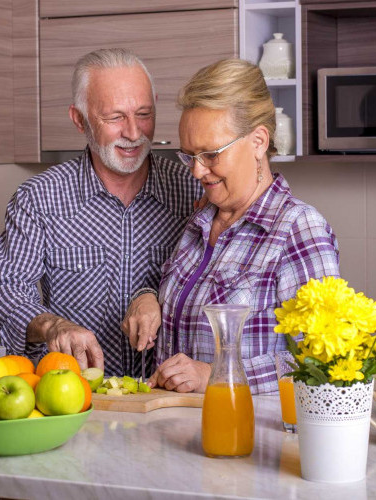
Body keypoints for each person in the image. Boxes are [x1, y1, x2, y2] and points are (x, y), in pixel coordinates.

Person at [122, 59, 340, 394]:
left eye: (210, 155)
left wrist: (215, 374)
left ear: (258, 141)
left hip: (249, 436)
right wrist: (148, 297)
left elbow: (322, 361)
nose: (196, 172)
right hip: (173, 430)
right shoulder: (199, 222)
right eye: (189, 155)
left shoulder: (298, 229)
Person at [0, 48, 203, 376]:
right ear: (79, 119)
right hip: (73, 401)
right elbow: (4, 288)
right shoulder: (39, 199)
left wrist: (153, 295)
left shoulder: (194, 191)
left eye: (144, 114)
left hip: (169, 400)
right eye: (115, 117)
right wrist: (52, 325)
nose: (133, 133)